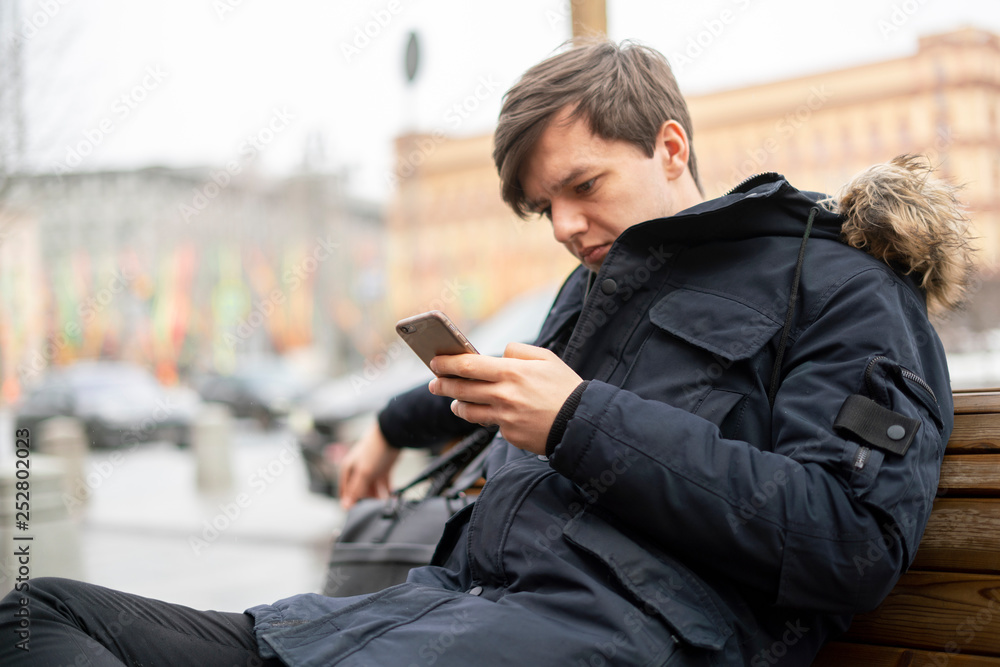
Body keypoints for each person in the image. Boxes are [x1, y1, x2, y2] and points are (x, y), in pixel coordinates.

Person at [1, 39, 975, 666]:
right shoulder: (597, 286)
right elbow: (506, 387)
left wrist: (578, 420)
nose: (562, 224)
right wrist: (390, 425)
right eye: (542, 206)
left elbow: (844, 541)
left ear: (671, 148)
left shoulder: (842, 286)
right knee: (43, 611)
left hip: (619, 636)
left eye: (582, 186)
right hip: (448, 607)